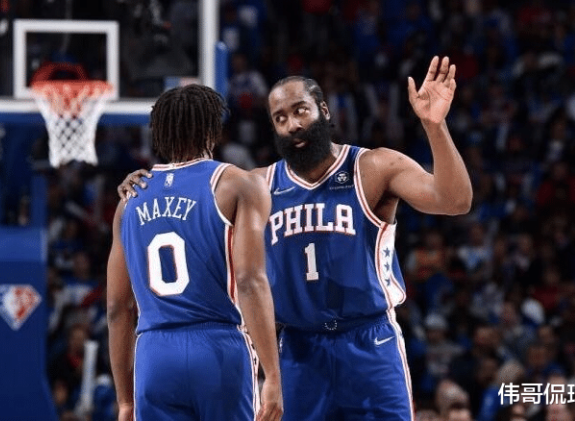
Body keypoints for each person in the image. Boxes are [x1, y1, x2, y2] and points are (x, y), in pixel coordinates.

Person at [119, 56, 472, 420]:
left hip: (370, 340)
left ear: (323, 110)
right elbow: (193, 202)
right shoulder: (258, 184)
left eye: (300, 110)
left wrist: (435, 127)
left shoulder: (373, 167)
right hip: (298, 349)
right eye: (280, 118)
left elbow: (455, 201)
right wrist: (143, 186)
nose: (293, 125)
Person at [106, 84, 283, 421]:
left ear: (160, 134)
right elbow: (249, 280)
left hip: (154, 354)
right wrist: (273, 375)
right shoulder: (237, 184)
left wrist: (125, 401)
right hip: (218, 347)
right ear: (212, 130)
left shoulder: (129, 200)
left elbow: (117, 308)